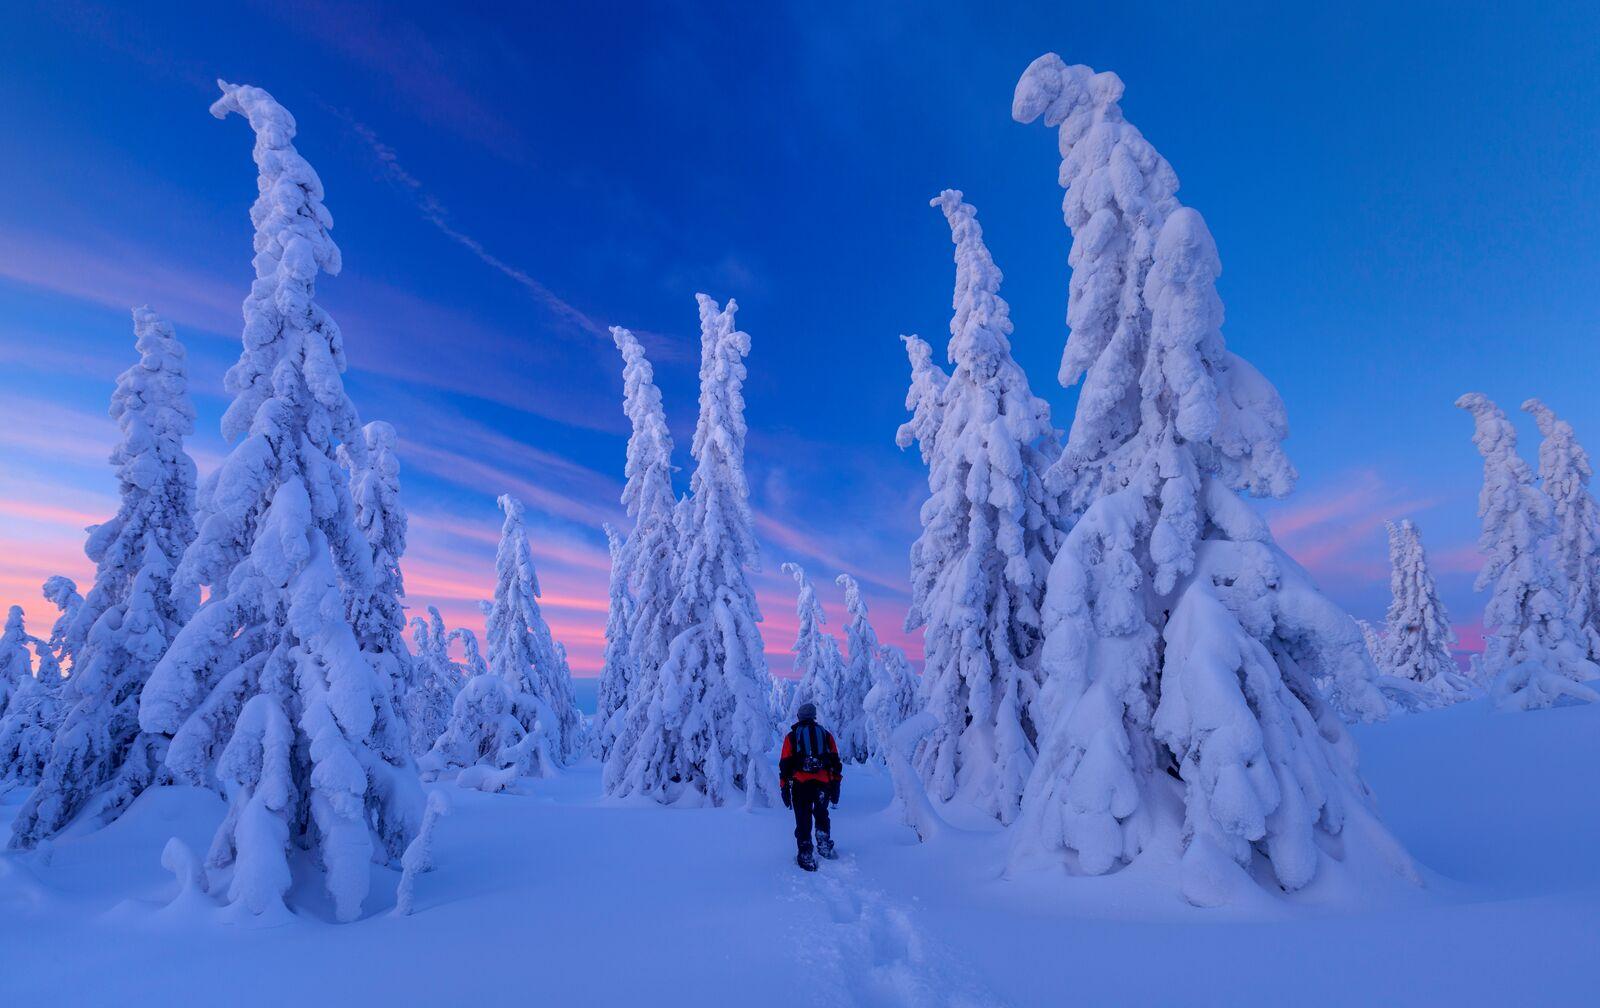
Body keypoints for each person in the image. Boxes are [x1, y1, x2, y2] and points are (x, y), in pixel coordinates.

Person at [779, 701, 842, 872]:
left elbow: (784, 764)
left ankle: (806, 854)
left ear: (799, 716)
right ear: (814, 716)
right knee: (822, 814)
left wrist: (784, 786)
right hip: (823, 784)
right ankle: (823, 845)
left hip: (801, 784)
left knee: (803, 818)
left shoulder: (791, 737)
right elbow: (836, 761)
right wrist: (836, 783)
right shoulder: (826, 735)